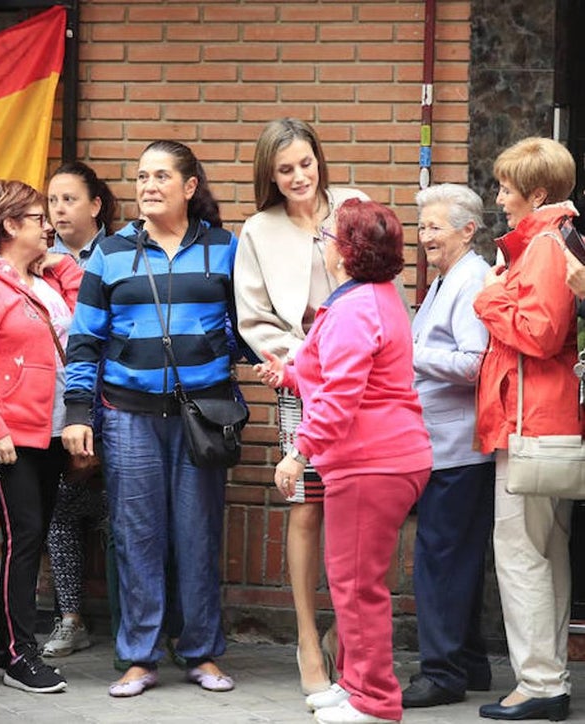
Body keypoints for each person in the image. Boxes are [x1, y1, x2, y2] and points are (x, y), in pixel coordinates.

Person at [63, 140, 238, 698]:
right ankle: (138, 657)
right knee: (136, 537)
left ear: (190, 187)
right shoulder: (110, 253)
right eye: (142, 176)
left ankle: (202, 652)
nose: (148, 185)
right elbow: (85, 339)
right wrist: (76, 411)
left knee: (198, 534)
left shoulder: (225, 249)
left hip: (201, 415)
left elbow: (249, 327)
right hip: (127, 415)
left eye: (162, 176)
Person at [257, 199, 431, 724]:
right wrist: (287, 376)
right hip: (384, 460)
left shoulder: (357, 308)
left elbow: (340, 399)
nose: (322, 240)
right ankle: (356, 688)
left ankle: (375, 702)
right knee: (357, 585)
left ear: (345, 250)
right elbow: (331, 374)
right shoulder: (367, 299)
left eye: (327, 234)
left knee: (357, 589)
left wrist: (297, 452)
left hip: (371, 463)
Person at [233, 118, 368, 696]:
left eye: (305, 164)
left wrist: (344, 357)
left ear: (319, 159)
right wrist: (308, 363)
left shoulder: (354, 206)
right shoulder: (258, 230)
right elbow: (254, 318)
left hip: (361, 380)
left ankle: (348, 632)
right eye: (284, 169)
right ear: (270, 174)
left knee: (361, 509)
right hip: (301, 382)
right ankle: (309, 642)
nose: (298, 177)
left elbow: (380, 284)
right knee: (307, 509)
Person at [472, 137, 578, 722]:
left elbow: (536, 334)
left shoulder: (541, 245)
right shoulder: (556, 239)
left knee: (521, 554)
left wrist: (489, 297)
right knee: (545, 551)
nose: (500, 198)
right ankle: (548, 677)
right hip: (544, 416)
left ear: (537, 193)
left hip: (529, 420)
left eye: (507, 188)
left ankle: (538, 685)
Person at [0, 179, 81, 694]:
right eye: (37, 218)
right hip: (14, 436)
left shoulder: (41, 280)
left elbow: (83, 314)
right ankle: (17, 652)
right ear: (10, 226)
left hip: (48, 431)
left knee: (29, 538)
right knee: (23, 541)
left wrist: (57, 264)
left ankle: (1, 650)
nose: (48, 225)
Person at [400, 184, 495, 709]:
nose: (425, 236)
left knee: (439, 559)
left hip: (457, 449)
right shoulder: (448, 280)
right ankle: (471, 663)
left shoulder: (471, 281)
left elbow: (472, 363)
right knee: (457, 560)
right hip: (447, 445)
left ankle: (440, 674)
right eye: (422, 227)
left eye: (435, 227)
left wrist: (411, 353)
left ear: (467, 229)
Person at [41, 161, 116, 659]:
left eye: (70, 199)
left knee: (126, 511)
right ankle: (70, 617)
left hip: (117, 402)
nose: (59, 209)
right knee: (59, 510)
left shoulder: (118, 253)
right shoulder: (37, 260)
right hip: (58, 410)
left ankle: (140, 622)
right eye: (52, 201)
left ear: (96, 205)